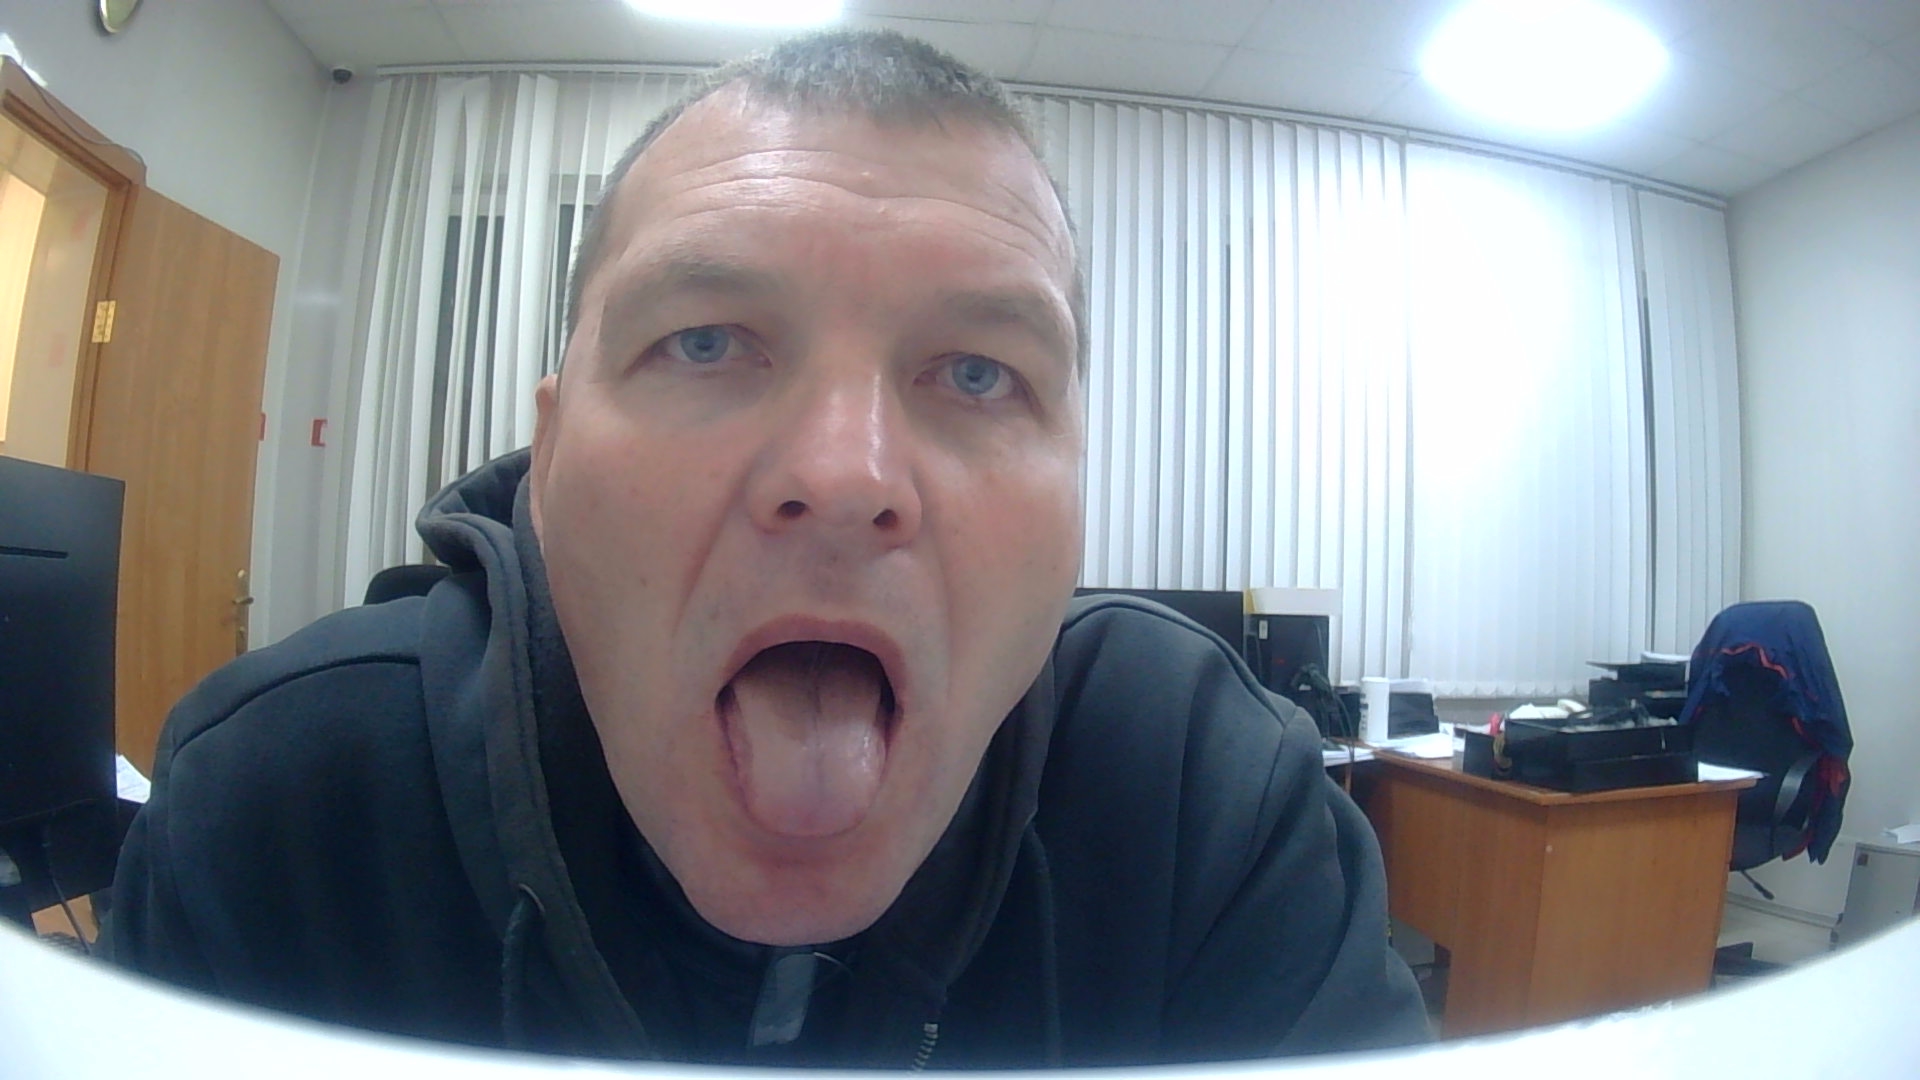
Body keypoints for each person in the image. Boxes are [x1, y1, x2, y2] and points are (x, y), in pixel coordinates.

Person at [109, 30, 1430, 1067]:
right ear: (548, 462)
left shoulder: (1206, 800)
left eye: (978, 372)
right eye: (704, 342)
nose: (844, 478)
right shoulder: (281, 808)